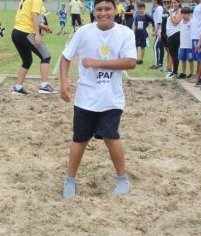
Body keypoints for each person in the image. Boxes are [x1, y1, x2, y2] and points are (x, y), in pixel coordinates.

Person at [60, 0, 137, 199]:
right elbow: (65, 57)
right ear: (94, 11)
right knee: (79, 139)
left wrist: (97, 63)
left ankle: (122, 179)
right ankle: (70, 180)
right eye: (99, 9)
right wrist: (63, 83)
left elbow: (130, 62)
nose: (103, 13)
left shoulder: (125, 33)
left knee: (111, 136)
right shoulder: (84, 32)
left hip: (111, 99)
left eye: (107, 9)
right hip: (85, 98)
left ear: (115, 10)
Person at [11, 0, 57, 95]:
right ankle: (44, 86)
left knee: (27, 61)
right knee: (46, 55)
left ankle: (18, 88)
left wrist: (42, 27)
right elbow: (34, 16)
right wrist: (37, 34)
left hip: (16, 32)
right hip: (26, 32)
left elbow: (27, 17)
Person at [187, 0, 201, 85]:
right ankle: (197, 75)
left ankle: (200, 77)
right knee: (197, 57)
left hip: (200, 36)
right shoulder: (197, 6)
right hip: (195, 35)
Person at [165, 0, 182, 79]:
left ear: (178, 3)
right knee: (172, 54)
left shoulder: (179, 11)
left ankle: (175, 72)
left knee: (174, 54)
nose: (173, 4)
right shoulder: (173, 11)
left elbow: (176, 22)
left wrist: (170, 13)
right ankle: (174, 71)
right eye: (172, 3)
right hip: (170, 35)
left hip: (175, 34)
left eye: (175, 2)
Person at [178, 6, 194, 79]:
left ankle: (191, 73)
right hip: (182, 45)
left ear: (189, 14)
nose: (183, 15)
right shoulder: (181, 22)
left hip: (190, 45)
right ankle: (183, 72)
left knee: (190, 60)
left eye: (185, 14)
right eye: (182, 14)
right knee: (182, 59)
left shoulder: (192, 22)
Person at [150, 0, 164, 69]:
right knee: (161, 47)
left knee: (155, 47)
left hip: (159, 31)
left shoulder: (159, 8)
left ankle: (156, 64)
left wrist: (156, 31)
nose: (151, 1)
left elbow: (160, 20)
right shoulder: (157, 8)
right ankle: (159, 63)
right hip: (159, 30)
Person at [162, 0, 173, 75]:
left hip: (169, 33)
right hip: (163, 32)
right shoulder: (164, 10)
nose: (166, 4)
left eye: (168, 2)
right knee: (167, 51)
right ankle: (167, 66)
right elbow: (163, 21)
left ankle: (170, 68)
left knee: (170, 51)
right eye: (165, 2)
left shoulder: (172, 11)